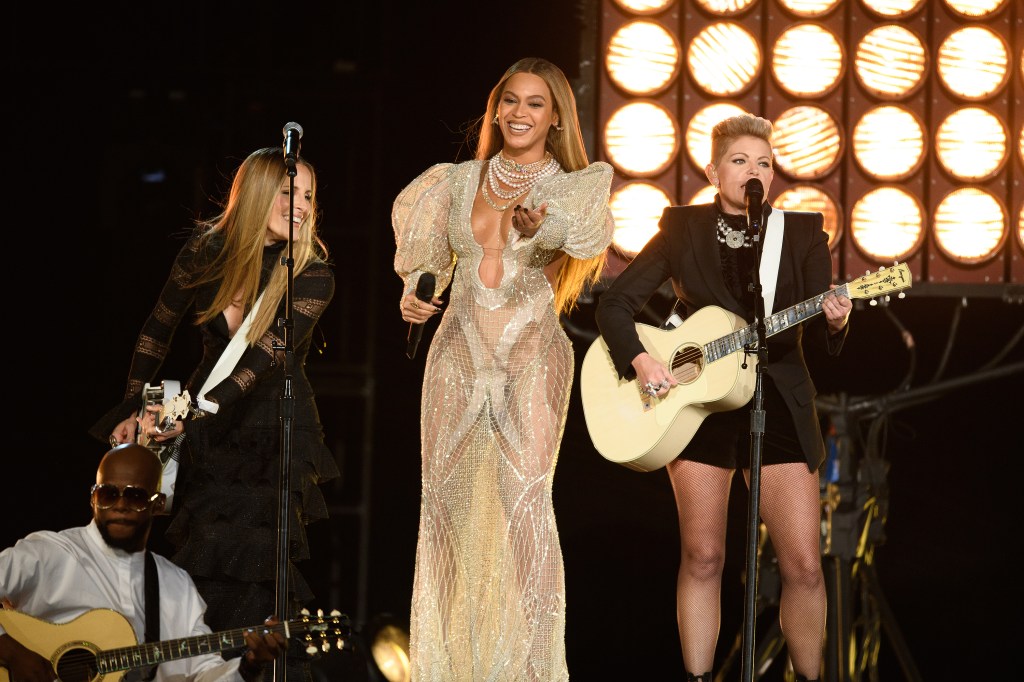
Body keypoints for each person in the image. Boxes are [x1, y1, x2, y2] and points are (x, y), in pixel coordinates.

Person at [594, 113, 852, 682]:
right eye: (740, 161)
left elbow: (822, 327)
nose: (753, 171)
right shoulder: (682, 230)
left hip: (778, 396)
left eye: (764, 162)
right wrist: (641, 360)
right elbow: (613, 305)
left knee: (805, 567)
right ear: (713, 171)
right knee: (705, 557)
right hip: (698, 405)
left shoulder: (804, 233)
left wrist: (835, 321)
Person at [392, 57, 614, 680]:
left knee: (526, 507)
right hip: (456, 358)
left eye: (535, 103)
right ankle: (445, 666)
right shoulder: (454, 182)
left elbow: (587, 234)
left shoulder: (572, 186)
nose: (520, 113)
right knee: (442, 512)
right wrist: (412, 295)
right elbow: (425, 265)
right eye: (510, 101)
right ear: (496, 110)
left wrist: (546, 221)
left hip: (529, 359)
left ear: (556, 116)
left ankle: (535, 669)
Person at [88, 147, 339, 680]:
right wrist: (137, 407)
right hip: (206, 436)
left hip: (271, 433)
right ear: (254, 193)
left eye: (310, 196)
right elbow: (156, 331)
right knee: (196, 567)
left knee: (255, 575)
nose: (302, 206)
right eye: (290, 192)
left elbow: (264, 359)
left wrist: (200, 411)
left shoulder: (311, 276)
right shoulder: (206, 254)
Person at [0, 443, 287, 682]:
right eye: (108, 494)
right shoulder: (51, 552)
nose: (120, 505)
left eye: (135, 496)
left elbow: (203, 673)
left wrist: (250, 664)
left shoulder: (175, 584)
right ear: (93, 499)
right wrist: (13, 653)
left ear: (158, 504)